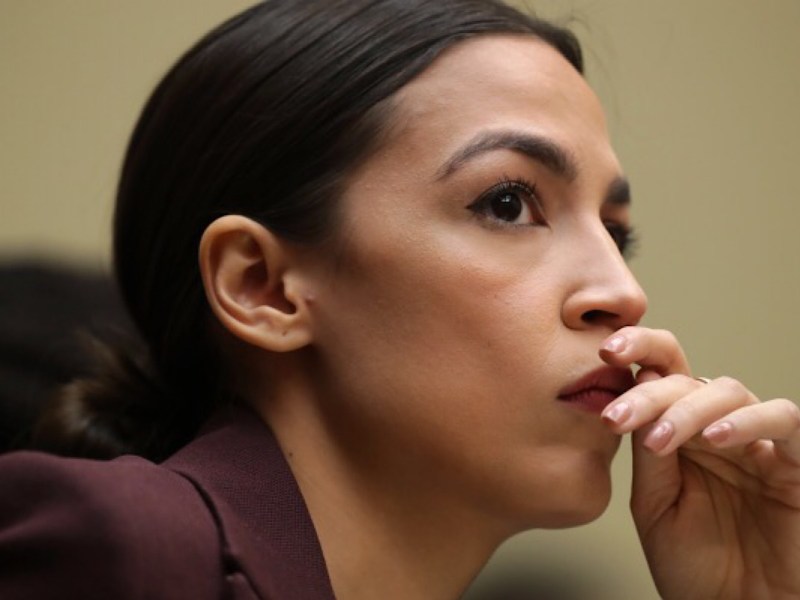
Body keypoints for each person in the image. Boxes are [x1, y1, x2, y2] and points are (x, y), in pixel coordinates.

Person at [1, 1, 798, 598]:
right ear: (263, 287)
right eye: (509, 203)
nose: (623, 294)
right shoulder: (120, 552)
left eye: (616, 232)